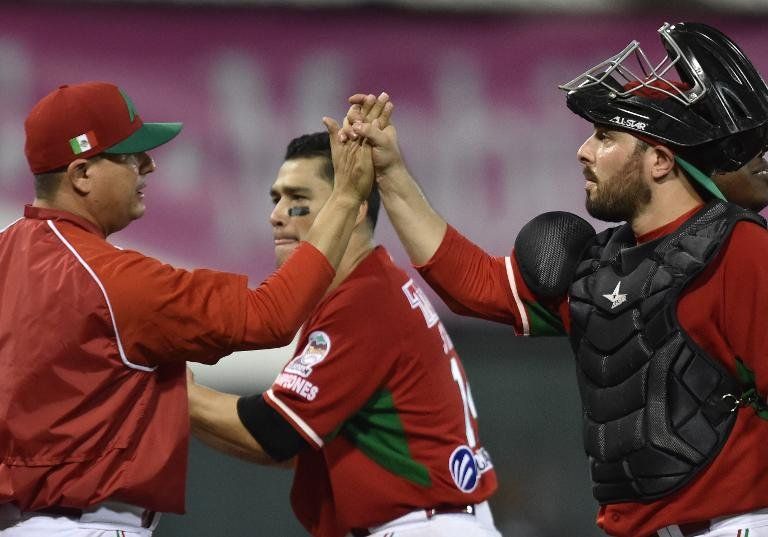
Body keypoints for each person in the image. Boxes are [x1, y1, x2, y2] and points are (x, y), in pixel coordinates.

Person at [343, 22, 768, 537]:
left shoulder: (739, 249)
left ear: (660, 160)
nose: (584, 151)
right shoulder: (601, 266)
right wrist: (391, 173)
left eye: (606, 136)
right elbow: (476, 285)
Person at [0, 81, 373, 536]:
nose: (148, 164)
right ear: (81, 174)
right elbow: (270, 317)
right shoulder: (113, 279)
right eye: (129, 155)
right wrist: (347, 197)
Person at [186, 130, 501, 537]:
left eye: (298, 200)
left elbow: (276, 432)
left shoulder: (364, 303)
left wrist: (173, 391)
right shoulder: (364, 290)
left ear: (351, 210)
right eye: (276, 198)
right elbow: (295, 443)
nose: (277, 214)